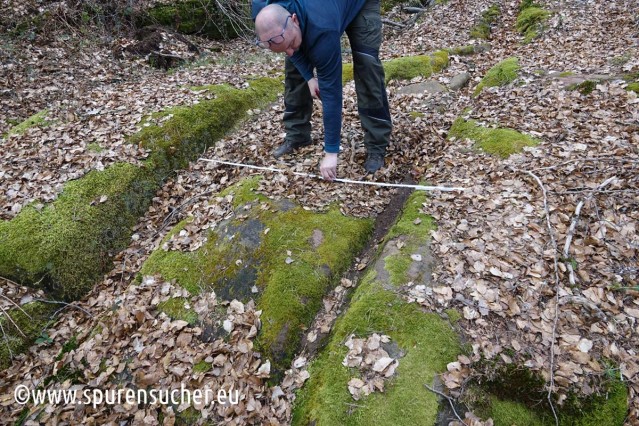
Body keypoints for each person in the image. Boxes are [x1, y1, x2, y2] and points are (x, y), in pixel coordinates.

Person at [252, 0, 392, 181]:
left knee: (367, 65)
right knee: (293, 60)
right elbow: (291, 49)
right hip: (315, 12)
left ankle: (376, 145)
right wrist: (309, 77)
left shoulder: (322, 27)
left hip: (358, 4)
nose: (289, 51)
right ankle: (297, 134)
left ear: (294, 19)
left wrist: (331, 152)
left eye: (291, 42)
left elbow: (331, 92)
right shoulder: (263, 14)